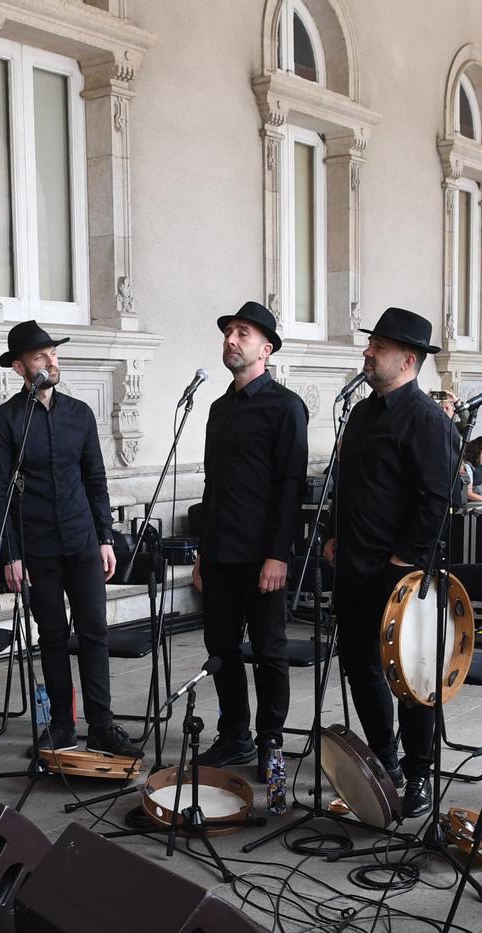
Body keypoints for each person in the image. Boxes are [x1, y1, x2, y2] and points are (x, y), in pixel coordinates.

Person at [0, 320, 141, 758]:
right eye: (40, 356)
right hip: (36, 547)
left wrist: (106, 537)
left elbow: (95, 478)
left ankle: (103, 726)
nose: (51, 361)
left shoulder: (80, 414)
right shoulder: (5, 422)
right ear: (19, 367)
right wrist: (10, 555)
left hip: (83, 540)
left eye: (53, 353)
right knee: (51, 636)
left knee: (94, 633)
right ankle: (62, 726)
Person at [323, 307, 458, 823]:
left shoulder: (426, 419)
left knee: (411, 672)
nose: (367, 353)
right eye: (370, 344)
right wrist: (335, 533)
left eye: (377, 347)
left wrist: (403, 556)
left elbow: (437, 499)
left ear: (407, 359)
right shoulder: (361, 413)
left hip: (400, 574)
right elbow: (349, 485)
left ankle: (420, 771)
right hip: (353, 566)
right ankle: (384, 759)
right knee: (360, 665)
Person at [192, 301, 308, 772]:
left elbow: (291, 487)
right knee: (221, 649)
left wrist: (277, 555)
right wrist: (202, 552)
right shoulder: (218, 408)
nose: (231, 340)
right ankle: (234, 735)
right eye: (228, 333)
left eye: (242, 333)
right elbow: (213, 486)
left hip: (262, 555)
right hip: (220, 551)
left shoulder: (285, 406)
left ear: (266, 348)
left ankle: (271, 741)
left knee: (268, 651)